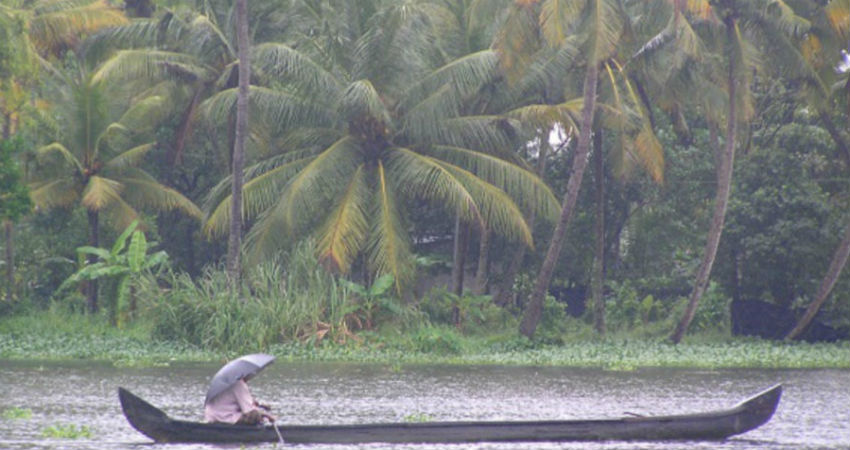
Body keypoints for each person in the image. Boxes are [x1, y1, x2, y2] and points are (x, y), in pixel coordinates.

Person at [204, 376, 276, 425]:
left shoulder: (223, 382)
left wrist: (260, 405)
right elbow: (249, 411)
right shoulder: (239, 384)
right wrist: (267, 416)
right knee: (255, 415)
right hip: (225, 418)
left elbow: (230, 401)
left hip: (211, 417)